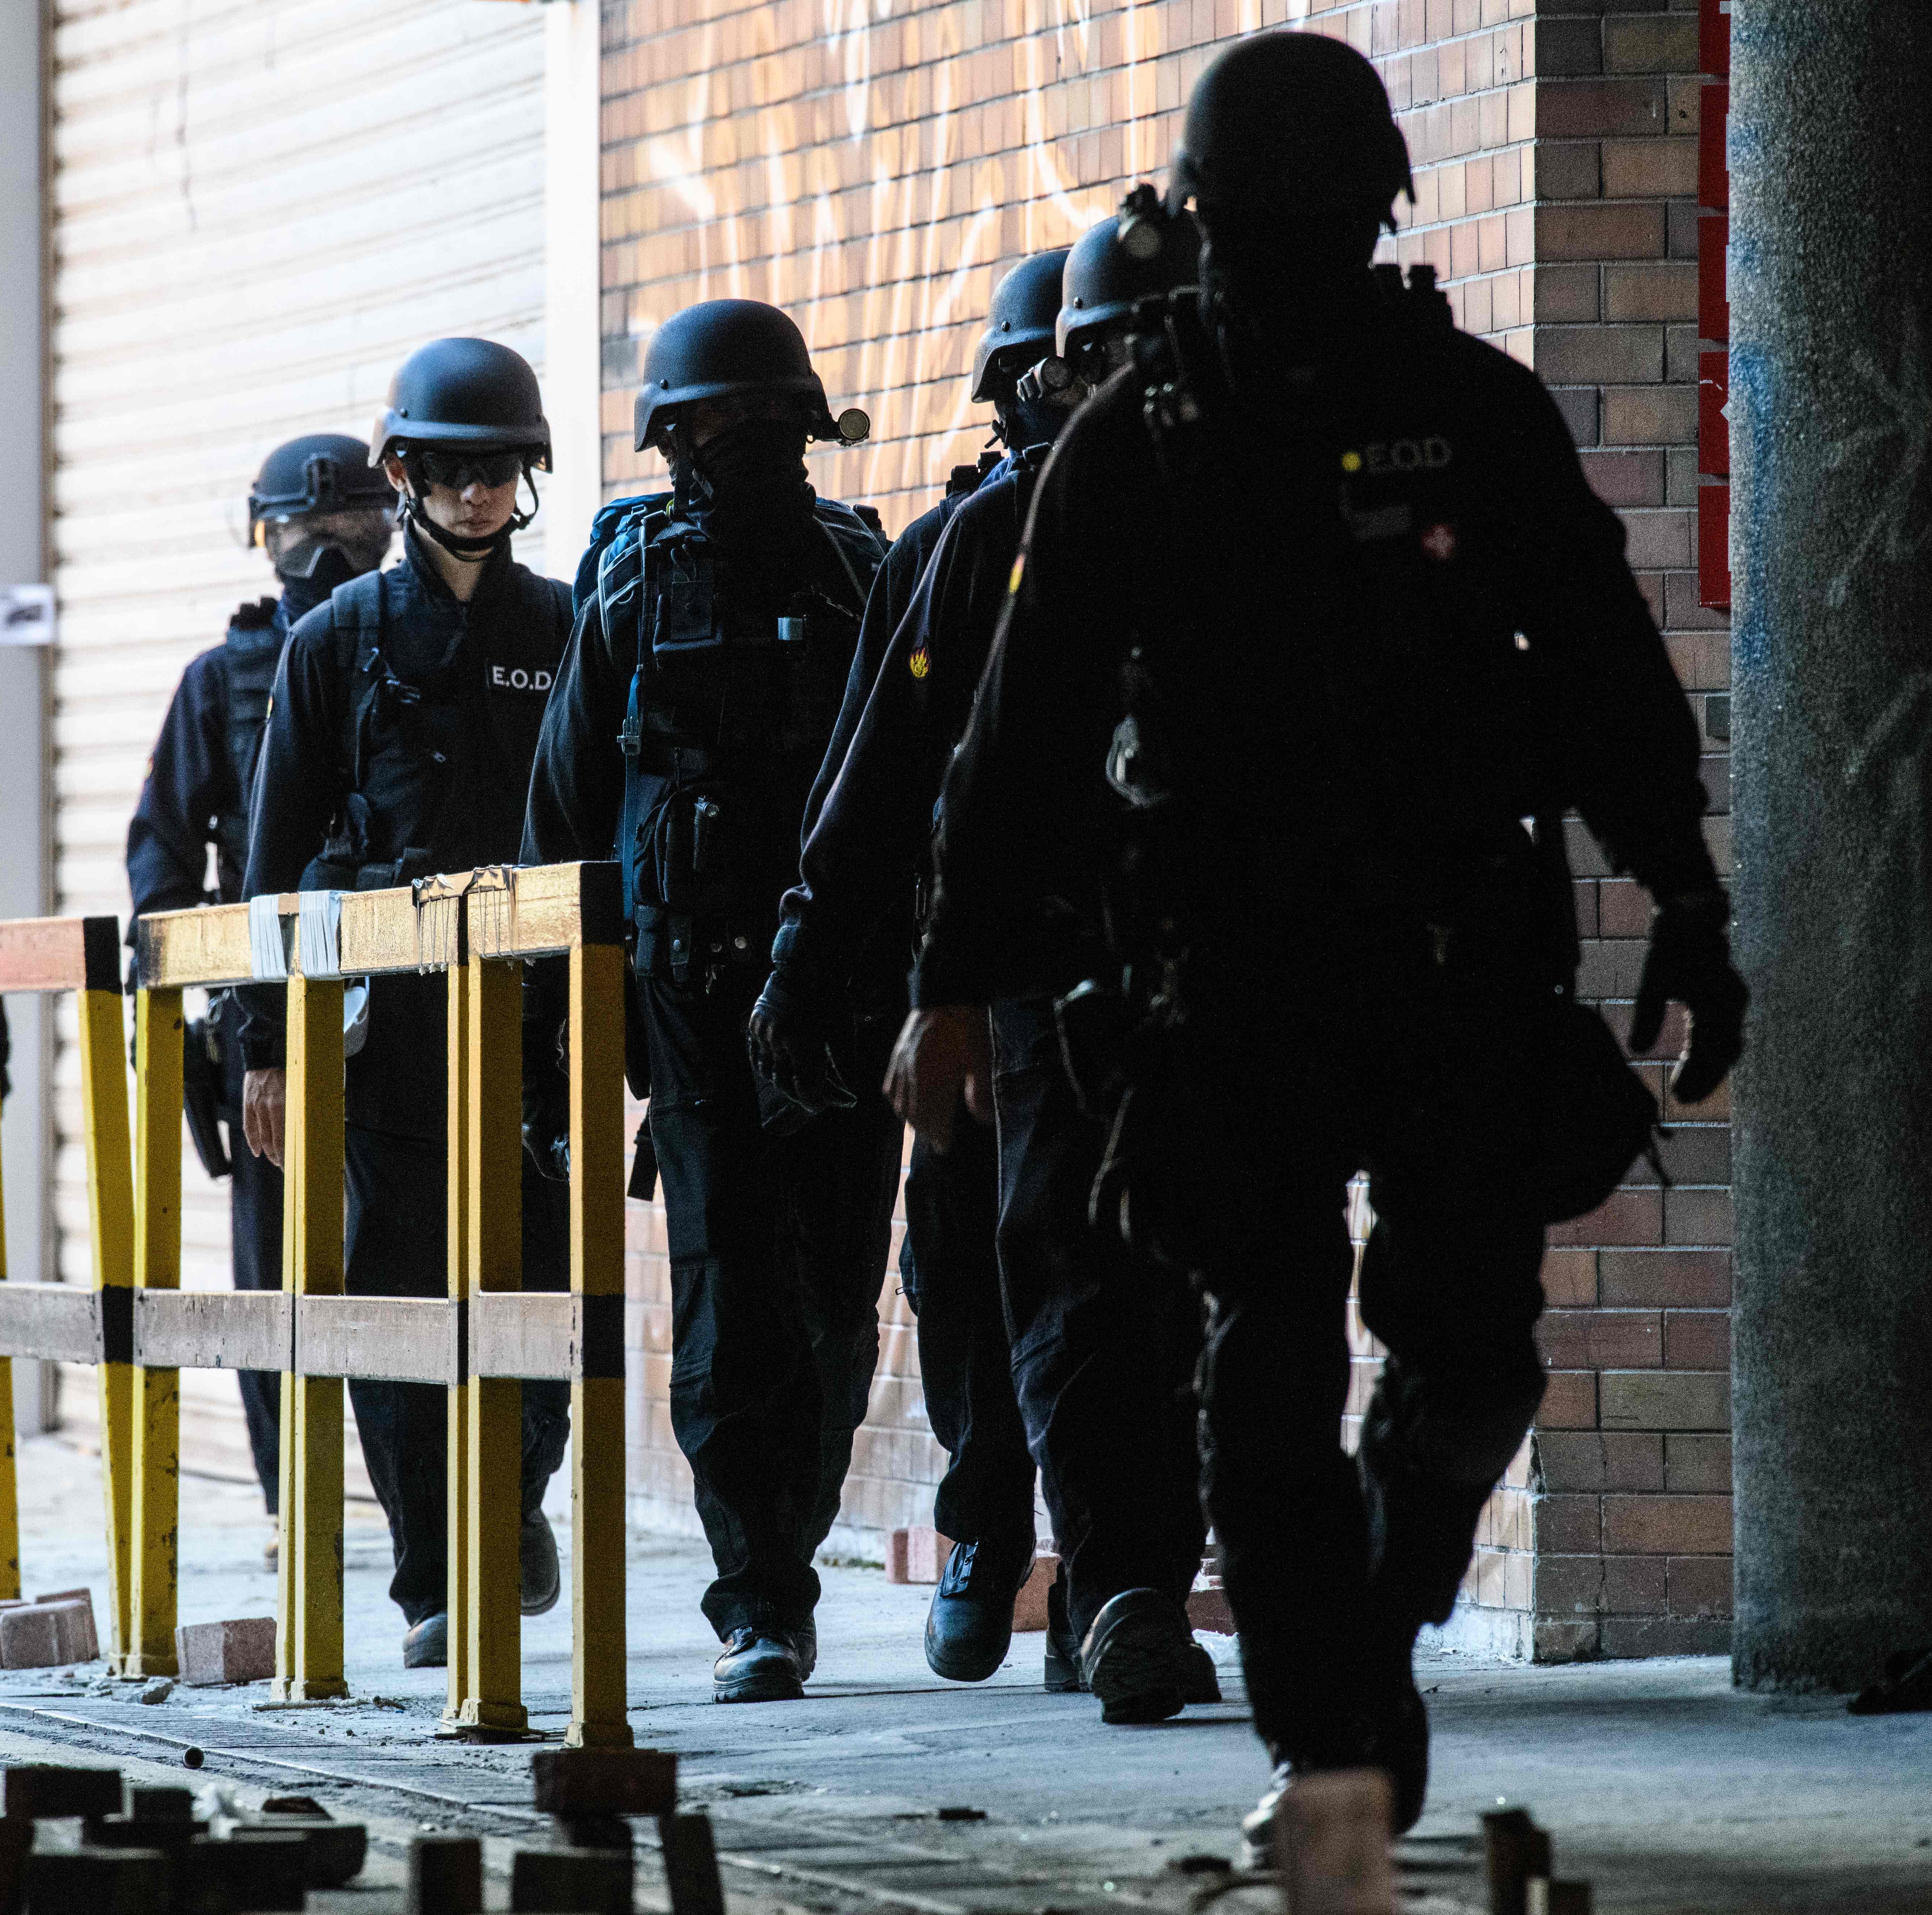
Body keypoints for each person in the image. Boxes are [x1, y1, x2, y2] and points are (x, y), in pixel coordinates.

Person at [887, 33, 1745, 1857]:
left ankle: (1364, 1636)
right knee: (1265, 1365)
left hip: (1447, 962)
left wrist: (1688, 893)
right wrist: (949, 983)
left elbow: (1598, 671)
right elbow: (1021, 739)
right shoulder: (1131, 447)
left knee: (1472, 1363)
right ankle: (1333, 1738)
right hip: (1228, 980)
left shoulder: (1472, 418)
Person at [758, 232, 1218, 1717]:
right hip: (1028, 979)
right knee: (1025, 1277)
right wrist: (824, 966)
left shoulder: (1279, 500)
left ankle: (1123, 1573)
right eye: (1080, 361)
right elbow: (882, 786)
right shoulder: (981, 541)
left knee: (1200, 1286)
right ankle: (1064, 1553)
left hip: (1233, 968)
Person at [522, 298, 895, 1704]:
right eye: (715, 424)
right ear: (673, 440)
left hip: (844, 995)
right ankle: (759, 1598)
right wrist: (560, 1032)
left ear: (803, 424)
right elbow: (559, 820)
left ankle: (784, 1542)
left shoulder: (866, 573)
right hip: (690, 998)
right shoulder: (625, 591)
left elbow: (917, 779)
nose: (741, 446)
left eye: (763, 422)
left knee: (837, 1300)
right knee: (729, 1294)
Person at [236, 340, 573, 1668]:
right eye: (450, 469)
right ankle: (436, 1569)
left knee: (544, 1284)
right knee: (394, 1298)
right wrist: (268, 1045)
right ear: (406, 474)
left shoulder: (564, 630)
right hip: (390, 1040)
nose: (478, 494)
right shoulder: (333, 647)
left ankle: (520, 1495)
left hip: (544, 1032)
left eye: (497, 470)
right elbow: (273, 864)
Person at [126, 433, 396, 1512]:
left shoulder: (412, 648)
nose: (327, 557)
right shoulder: (225, 678)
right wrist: (209, 980)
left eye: (351, 535)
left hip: (415, 1005)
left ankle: (441, 1506)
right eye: (304, 536)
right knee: (274, 1274)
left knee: (417, 1252)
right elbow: (158, 857)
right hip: (270, 1018)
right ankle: (302, 1509)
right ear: (266, 542)